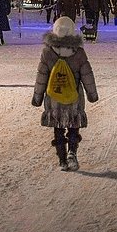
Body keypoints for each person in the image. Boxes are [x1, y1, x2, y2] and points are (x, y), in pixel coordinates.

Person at [32, 15, 98, 171]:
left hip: (54, 98)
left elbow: (41, 77)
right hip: (74, 99)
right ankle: (72, 153)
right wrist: (92, 94)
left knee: (58, 127)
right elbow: (87, 76)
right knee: (74, 126)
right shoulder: (79, 53)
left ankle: (62, 159)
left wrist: (37, 97)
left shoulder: (47, 52)